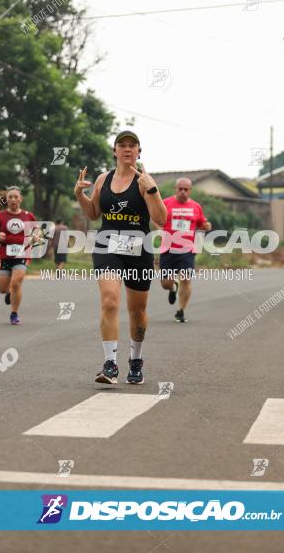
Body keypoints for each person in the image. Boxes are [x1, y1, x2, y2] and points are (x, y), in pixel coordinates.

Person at [74, 130, 167, 384]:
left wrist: (153, 190)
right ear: (114, 151)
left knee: (138, 311)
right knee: (110, 300)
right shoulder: (104, 179)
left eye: (132, 145)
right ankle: (110, 363)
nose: (127, 149)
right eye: (122, 145)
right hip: (108, 247)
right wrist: (79, 195)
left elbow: (160, 219)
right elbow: (93, 213)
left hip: (140, 250)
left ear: (139, 151)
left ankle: (135, 359)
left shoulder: (145, 181)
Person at [159, 178, 210, 323]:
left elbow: (202, 224)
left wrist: (207, 226)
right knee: (165, 283)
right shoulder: (166, 203)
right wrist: (157, 226)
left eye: (186, 189)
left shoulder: (196, 206)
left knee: (186, 279)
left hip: (187, 249)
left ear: (190, 190)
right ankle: (173, 286)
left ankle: (180, 310)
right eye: (180, 188)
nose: (183, 191)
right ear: (176, 189)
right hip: (168, 247)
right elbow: (156, 217)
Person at [0, 186, 37, 325]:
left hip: (22, 253)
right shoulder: (0, 216)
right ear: (6, 200)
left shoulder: (28, 215)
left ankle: (14, 313)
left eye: (16, 197)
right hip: (4, 255)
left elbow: (37, 232)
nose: (13, 199)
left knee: (17, 282)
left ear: (20, 199)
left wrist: (35, 238)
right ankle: (9, 292)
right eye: (10, 197)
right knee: (2, 289)